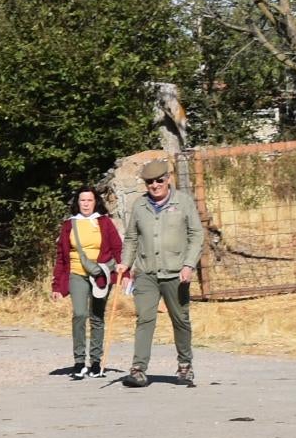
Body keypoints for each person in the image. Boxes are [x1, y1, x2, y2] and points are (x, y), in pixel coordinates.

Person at [120, 156, 205, 387]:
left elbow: (196, 235)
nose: (154, 186)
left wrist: (189, 264)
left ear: (167, 179)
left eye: (159, 180)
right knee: (145, 318)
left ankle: (185, 365)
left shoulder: (183, 202)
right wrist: (125, 263)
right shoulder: (139, 205)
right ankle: (138, 369)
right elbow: (131, 238)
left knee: (180, 319)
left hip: (176, 272)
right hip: (146, 272)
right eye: (149, 182)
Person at [52, 186, 124, 379]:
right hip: (76, 273)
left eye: (89, 200)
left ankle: (96, 361)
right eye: (82, 200)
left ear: (95, 202)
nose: (85, 204)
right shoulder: (69, 224)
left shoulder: (104, 222)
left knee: (97, 316)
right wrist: (57, 285)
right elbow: (61, 256)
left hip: (101, 274)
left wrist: (123, 272)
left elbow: (117, 248)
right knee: (80, 314)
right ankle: (79, 361)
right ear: (77, 203)